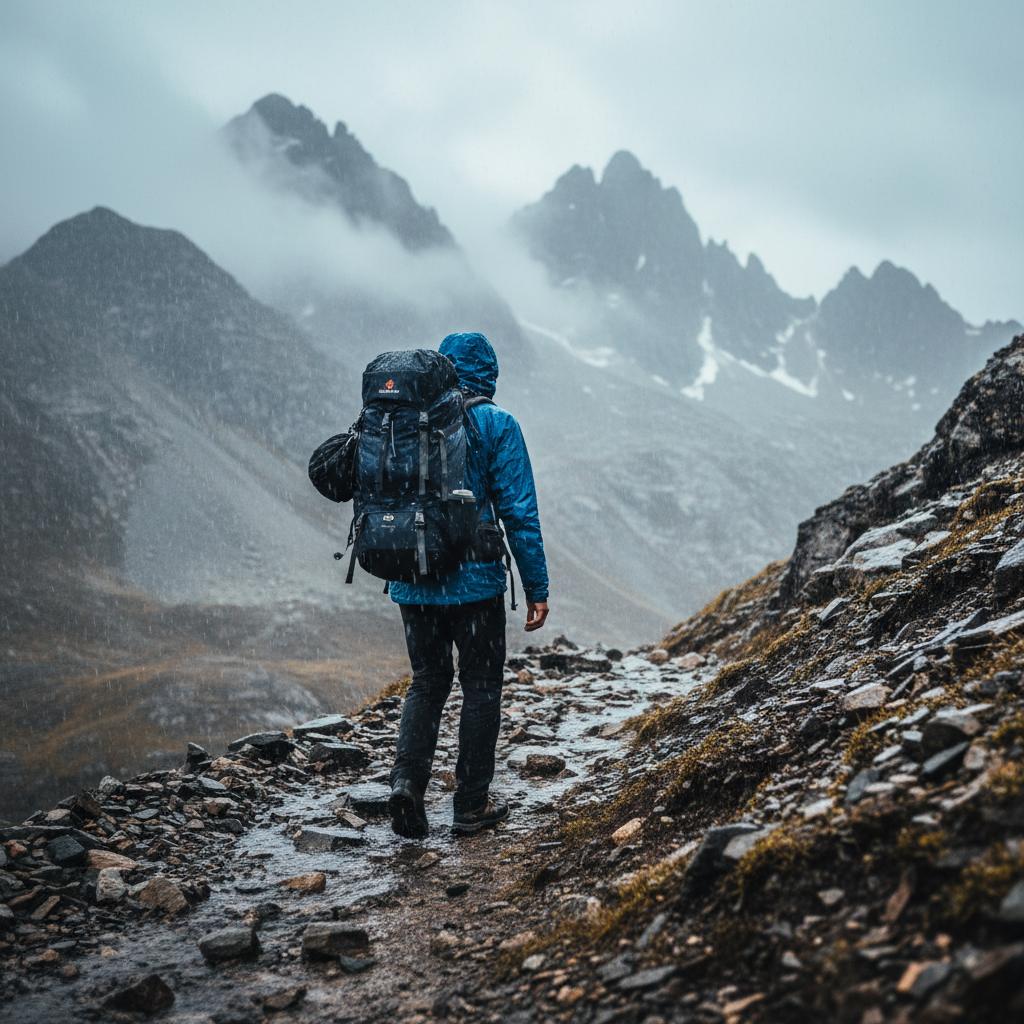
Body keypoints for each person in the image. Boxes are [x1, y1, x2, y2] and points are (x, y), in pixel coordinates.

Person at [387, 331, 549, 838]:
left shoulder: (404, 419)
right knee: (480, 687)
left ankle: (406, 786)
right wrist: (537, 587)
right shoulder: (496, 424)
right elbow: (520, 514)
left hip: (413, 579)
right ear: (490, 376)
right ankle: (470, 805)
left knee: (428, 681)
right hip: (476, 585)